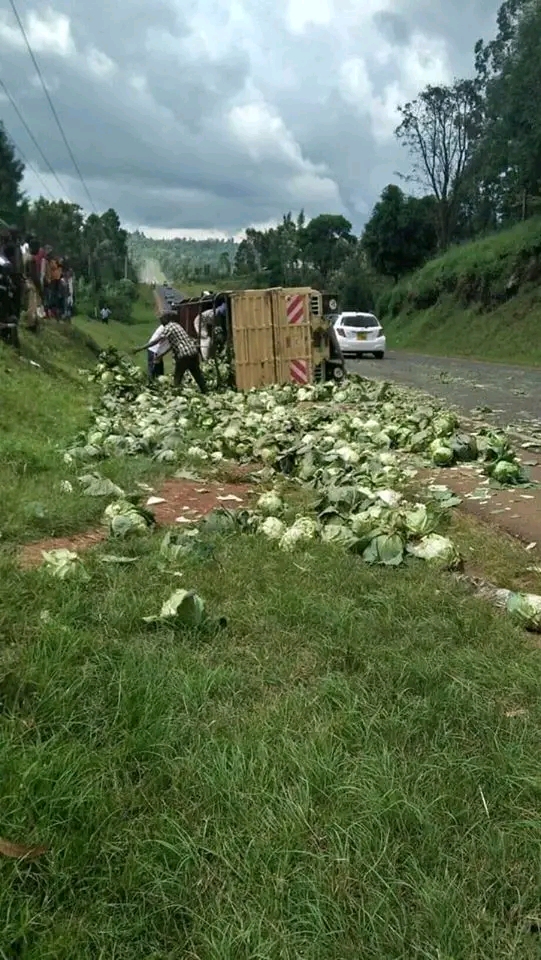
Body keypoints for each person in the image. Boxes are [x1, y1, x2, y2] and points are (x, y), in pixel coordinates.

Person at [133, 312, 207, 392]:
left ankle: (176, 394)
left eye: (162, 320)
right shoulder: (177, 325)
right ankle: (205, 391)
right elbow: (172, 345)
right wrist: (161, 355)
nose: (161, 322)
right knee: (197, 375)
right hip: (193, 352)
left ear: (166, 319)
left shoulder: (168, 327)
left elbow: (157, 341)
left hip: (184, 355)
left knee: (177, 378)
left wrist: (139, 348)